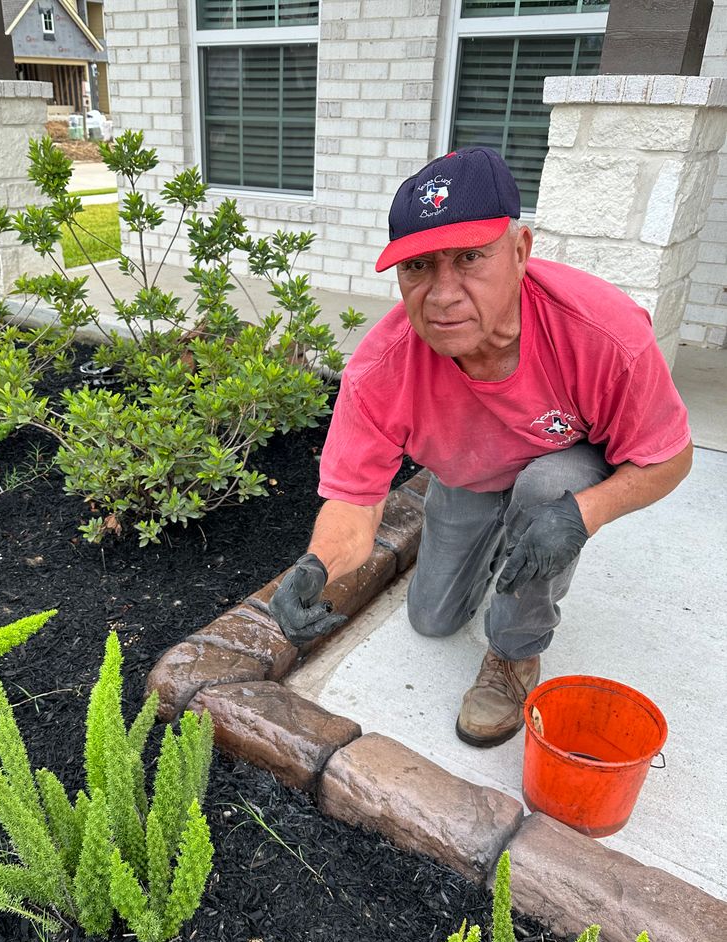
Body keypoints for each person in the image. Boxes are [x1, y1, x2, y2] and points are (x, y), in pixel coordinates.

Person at [269, 146, 692, 748]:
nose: (442, 294)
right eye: (418, 267)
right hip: (467, 475)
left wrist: (582, 515)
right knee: (432, 619)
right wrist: (315, 568)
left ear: (519, 251)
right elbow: (354, 504)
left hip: (562, 465)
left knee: (547, 496)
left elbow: (669, 455)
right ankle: (498, 534)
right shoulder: (381, 370)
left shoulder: (603, 333)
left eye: (469, 258)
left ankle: (514, 654)